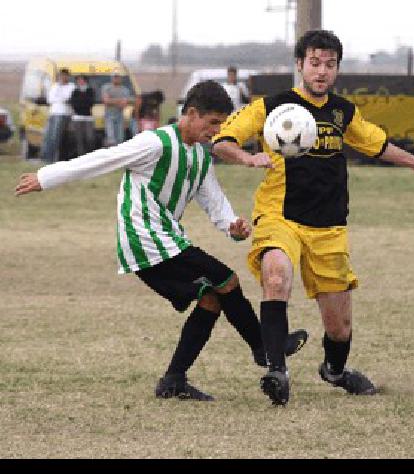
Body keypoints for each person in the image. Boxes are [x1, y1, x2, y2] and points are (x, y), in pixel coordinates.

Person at [15, 80, 308, 401]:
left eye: (220, 125)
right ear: (192, 114)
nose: (216, 131)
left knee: (211, 299)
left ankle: (173, 380)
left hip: (166, 240)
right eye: (212, 124)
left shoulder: (199, 156)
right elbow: (101, 159)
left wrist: (232, 226)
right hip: (145, 239)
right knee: (226, 279)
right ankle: (265, 349)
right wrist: (45, 177)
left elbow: (214, 200)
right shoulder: (154, 144)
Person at [212, 29, 414, 406]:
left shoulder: (343, 112)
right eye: (315, 63)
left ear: (337, 68)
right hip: (280, 216)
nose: (322, 71)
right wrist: (247, 157)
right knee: (276, 276)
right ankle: (276, 371)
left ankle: (334, 371)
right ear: (300, 65)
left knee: (339, 327)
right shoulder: (272, 106)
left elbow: (378, 144)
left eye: (330, 65)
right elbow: (222, 141)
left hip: (329, 225)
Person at [41, 68, 75, 163]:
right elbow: (50, 99)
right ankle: (46, 157)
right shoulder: (55, 86)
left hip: (63, 114)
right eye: (61, 75)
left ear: (68, 76)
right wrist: (60, 98)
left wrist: (59, 98)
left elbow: (67, 98)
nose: (63, 77)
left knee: (56, 137)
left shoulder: (71, 87)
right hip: (53, 113)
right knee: (48, 135)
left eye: (65, 75)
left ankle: (53, 158)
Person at [101, 71, 133, 146]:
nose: (116, 79)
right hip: (109, 116)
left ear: (121, 78)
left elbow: (124, 104)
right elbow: (106, 101)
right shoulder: (106, 87)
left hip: (120, 116)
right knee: (111, 139)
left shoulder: (125, 90)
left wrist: (112, 100)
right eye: (115, 77)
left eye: (118, 77)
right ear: (112, 78)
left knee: (120, 139)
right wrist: (119, 100)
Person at [68, 75, 96, 157]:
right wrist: (83, 102)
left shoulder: (90, 90)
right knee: (79, 139)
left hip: (88, 118)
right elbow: (74, 104)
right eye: (78, 80)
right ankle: (81, 156)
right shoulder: (75, 91)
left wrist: (81, 101)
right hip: (77, 118)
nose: (80, 81)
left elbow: (91, 103)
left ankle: (89, 156)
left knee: (90, 138)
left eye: (82, 80)